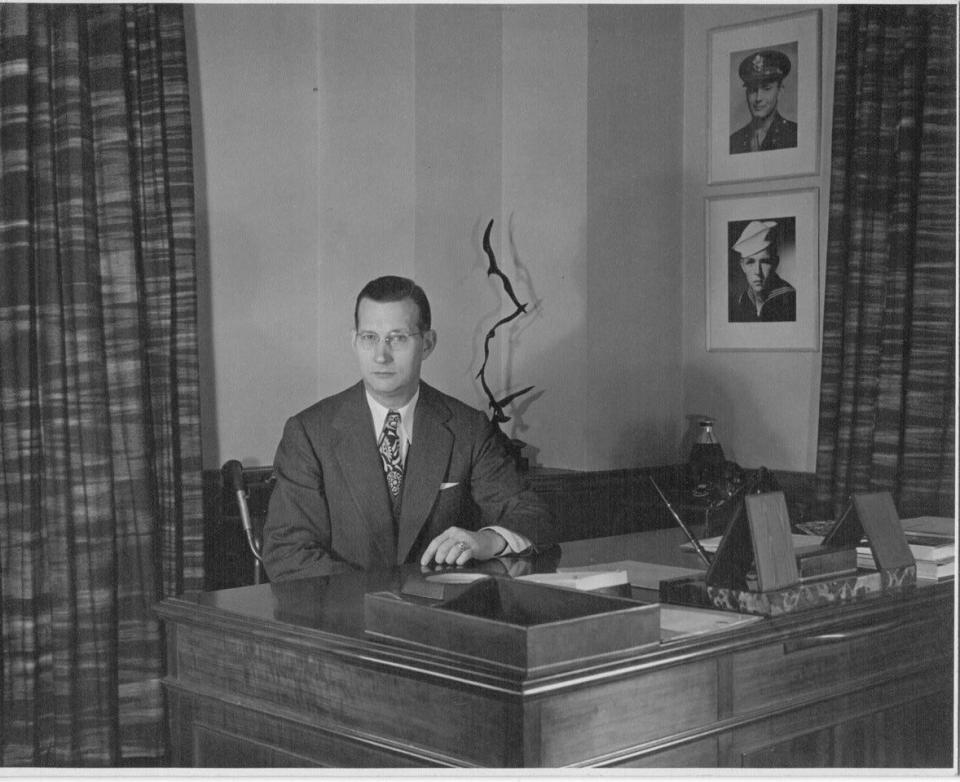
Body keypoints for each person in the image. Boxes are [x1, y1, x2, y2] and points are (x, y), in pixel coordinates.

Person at [262, 275, 555, 581]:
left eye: (398, 337)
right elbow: (289, 553)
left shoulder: (468, 428)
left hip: (441, 619)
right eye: (369, 337)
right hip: (344, 618)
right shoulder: (309, 433)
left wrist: (488, 540)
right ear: (354, 341)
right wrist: (381, 602)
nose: (381, 355)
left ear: (427, 343)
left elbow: (532, 515)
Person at [729, 49, 798, 154]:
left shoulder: (795, 135)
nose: (758, 98)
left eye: (766, 88)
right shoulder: (734, 141)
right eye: (752, 90)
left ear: (780, 91)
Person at [728, 220, 796, 322]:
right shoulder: (744, 300)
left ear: (775, 263)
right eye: (750, 262)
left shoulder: (790, 300)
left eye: (764, 262)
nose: (758, 272)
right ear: (742, 266)